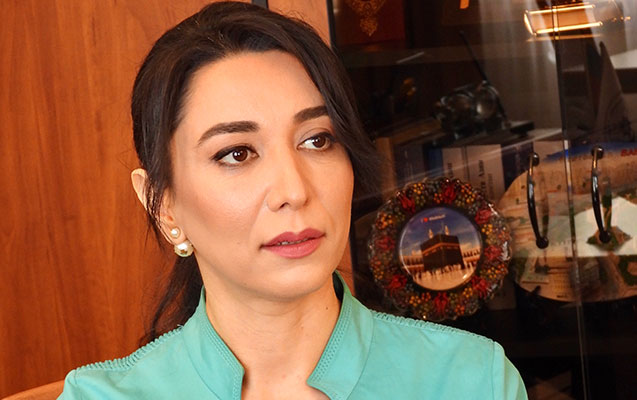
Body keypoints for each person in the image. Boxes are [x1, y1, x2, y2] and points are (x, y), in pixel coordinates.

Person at [59, 2, 527, 399]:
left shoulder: (471, 380)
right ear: (161, 204)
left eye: (317, 140)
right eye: (236, 153)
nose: (294, 191)